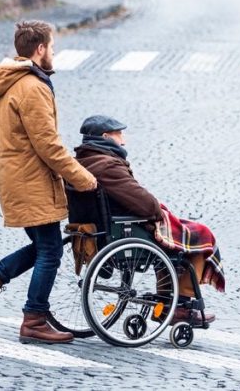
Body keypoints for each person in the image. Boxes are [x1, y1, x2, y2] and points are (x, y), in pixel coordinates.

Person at [0, 20, 97, 345]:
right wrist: (83, 178)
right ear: (40, 49)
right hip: (31, 181)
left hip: (16, 177)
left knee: (43, 246)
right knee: (51, 251)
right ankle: (34, 318)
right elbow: (48, 145)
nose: (54, 53)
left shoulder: (7, 82)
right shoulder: (32, 87)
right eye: (52, 47)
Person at [73, 115, 224, 325]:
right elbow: (145, 205)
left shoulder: (82, 162)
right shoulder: (108, 165)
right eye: (119, 134)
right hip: (127, 228)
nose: (123, 140)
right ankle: (179, 306)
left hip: (106, 227)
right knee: (200, 235)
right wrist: (157, 210)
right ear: (106, 137)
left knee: (175, 242)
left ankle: (168, 303)